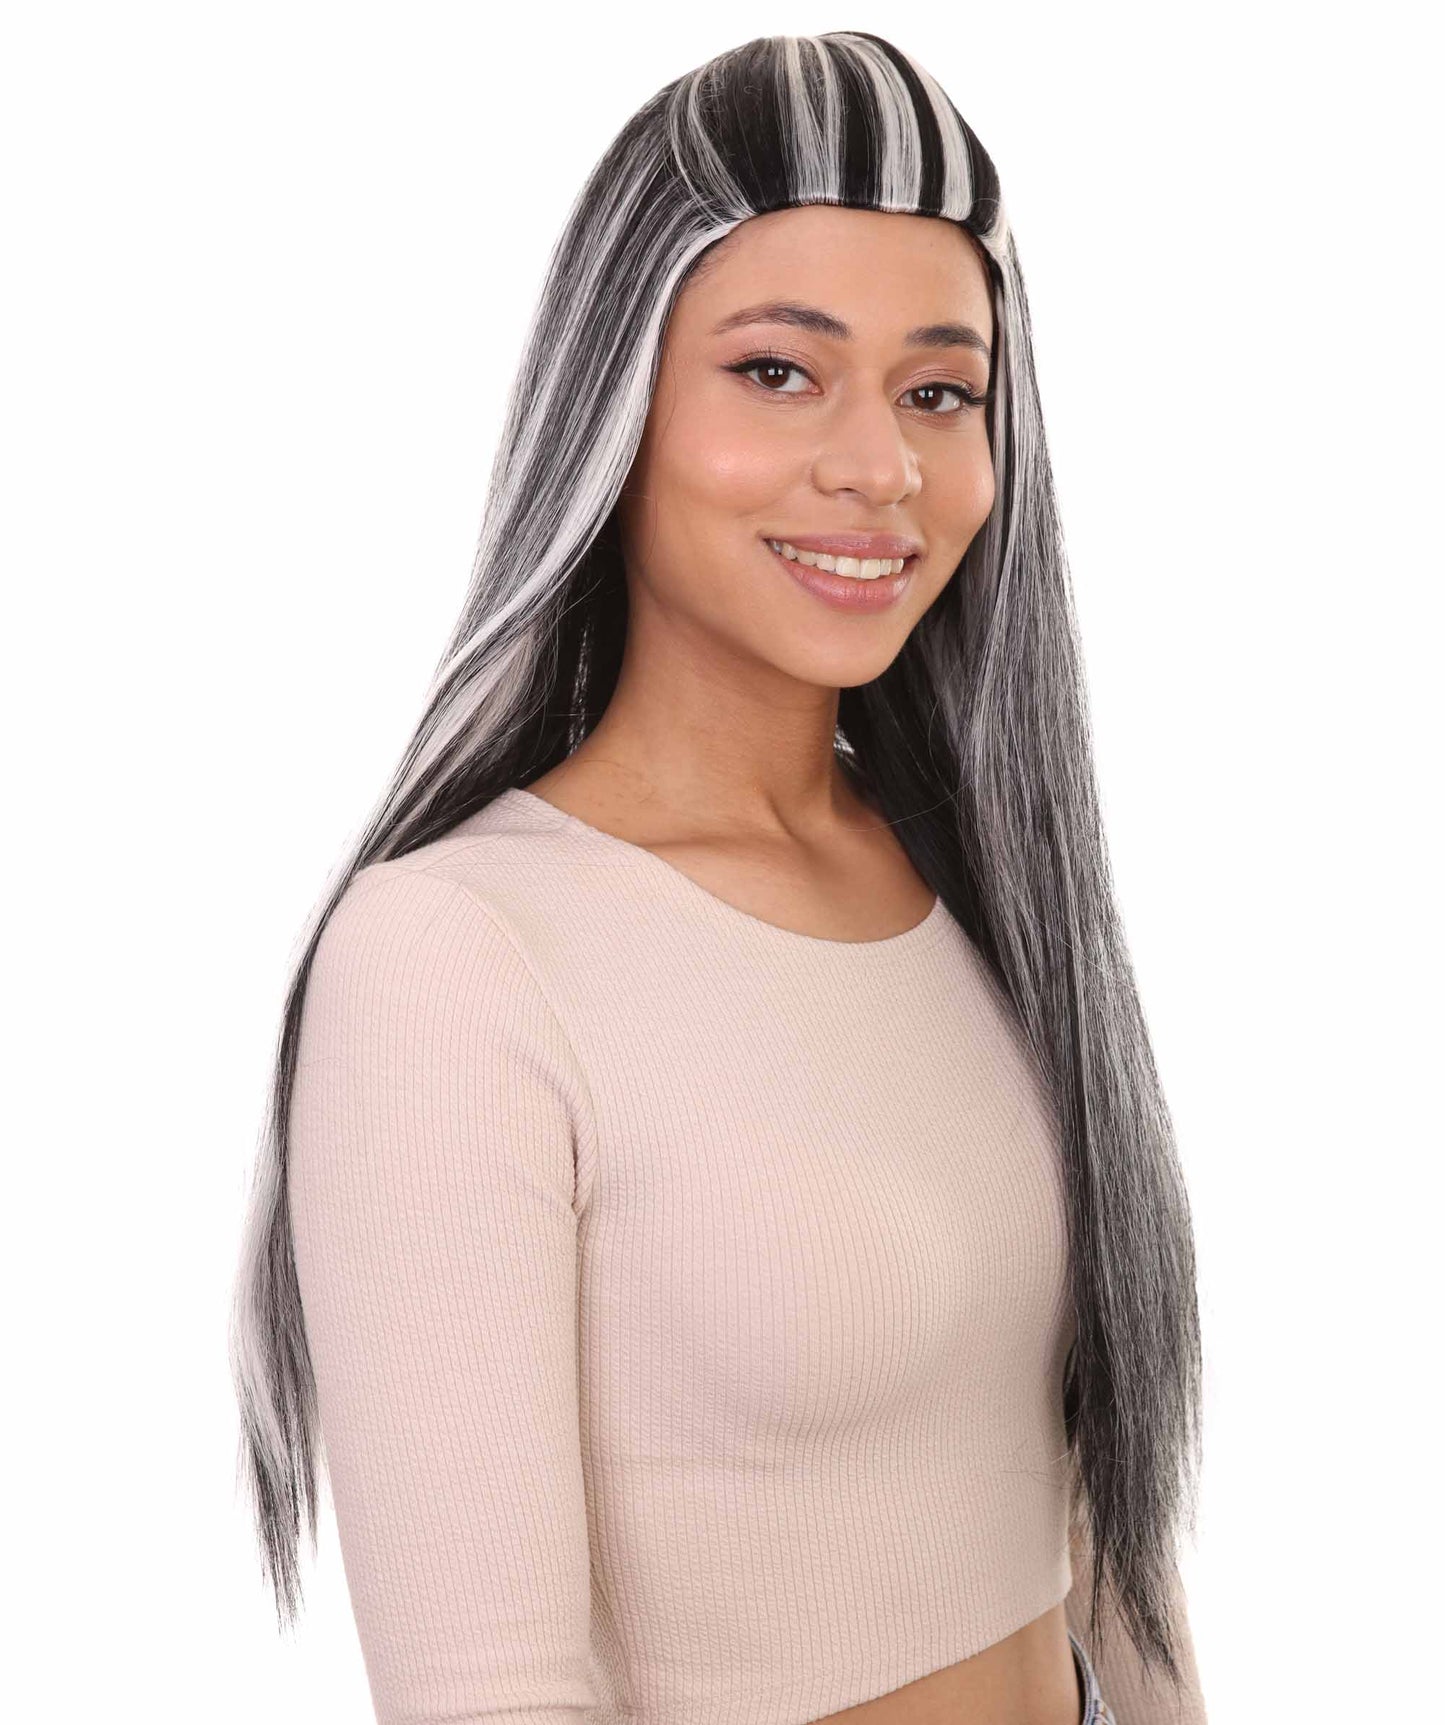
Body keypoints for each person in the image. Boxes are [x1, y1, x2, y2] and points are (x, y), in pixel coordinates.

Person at [229, 30, 1207, 1725]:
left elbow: (1096, 1523)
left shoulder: (983, 882)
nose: (879, 468)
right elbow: (488, 1696)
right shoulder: (458, 953)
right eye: (776, 371)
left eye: (938, 391)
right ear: (614, 401)